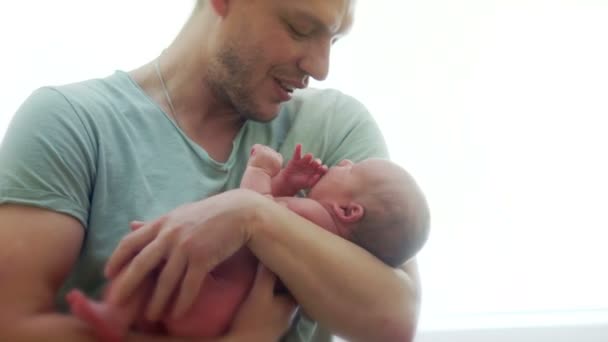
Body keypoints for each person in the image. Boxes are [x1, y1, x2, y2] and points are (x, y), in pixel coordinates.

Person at [0, 0, 430, 341]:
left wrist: (250, 215)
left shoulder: (336, 126)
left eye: (333, 40)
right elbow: (13, 328)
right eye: (300, 28)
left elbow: (393, 321)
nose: (320, 67)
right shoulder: (70, 123)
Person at [67, 143, 428, 341]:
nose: (344, 160)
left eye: (351, 169)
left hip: (211, 296)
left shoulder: (317, 221)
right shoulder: (321, 231)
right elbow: (275, 214)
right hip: (220, 307)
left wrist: (261, 172)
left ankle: (116, 314)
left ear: (348, 211)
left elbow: (257, 208)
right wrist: (287, 182)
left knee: (151, 264)